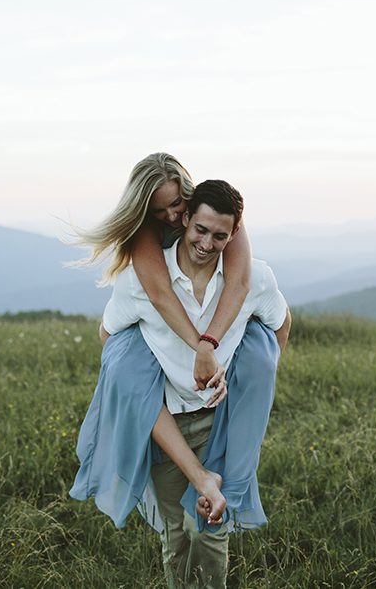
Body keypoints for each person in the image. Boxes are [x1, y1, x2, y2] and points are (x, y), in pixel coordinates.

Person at [96, 179, 291, 588]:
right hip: (167, 425)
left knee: (206, 526)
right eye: (200, 230)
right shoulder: (141, 281)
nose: (206, 242)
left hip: (220, 422)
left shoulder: (255, 279)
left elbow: (280, 324)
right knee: (177, 532)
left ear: (234, 233)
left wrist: (247, 382)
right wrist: (138, 380)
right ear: (184, 218)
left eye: (220, 235)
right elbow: (109, 337)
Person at [67, 153, 253, 523]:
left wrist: (209, 344)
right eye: (158, 210)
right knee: (131, 379)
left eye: (175, 204)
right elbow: (160, 295)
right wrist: (201, 347)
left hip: (190, 333)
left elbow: (240, 282)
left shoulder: (217, 212)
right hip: (133, 329)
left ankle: (202, 479)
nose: (170, 216)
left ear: (188, 193)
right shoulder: (144, 232)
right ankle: (197, 476)